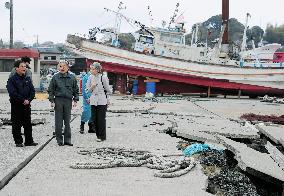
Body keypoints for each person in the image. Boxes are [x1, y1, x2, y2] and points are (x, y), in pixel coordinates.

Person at [6, 60, 38, 147]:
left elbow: (32, 91)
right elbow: (13, 93)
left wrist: (29, 100)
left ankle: (29, 141)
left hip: (27, 105)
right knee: (16, 124)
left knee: (28, 124)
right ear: (17, 68)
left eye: (25, 66)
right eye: (22, 66)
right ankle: (18, 142)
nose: (24, 68)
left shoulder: (27, 79)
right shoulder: (11, 80)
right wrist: (22, 100)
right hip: (17, 105)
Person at [48, 60, 79, 146]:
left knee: (67, 121)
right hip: (58, 100)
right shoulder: (55, 77)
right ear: (58, 68)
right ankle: (59, 140)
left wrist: (75, 99)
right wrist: (52, 100)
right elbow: (51, 90)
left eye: (64, 66)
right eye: (60, 66)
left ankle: (67, 140)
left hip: (68, 101)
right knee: (58, 122)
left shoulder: (72, 77)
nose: (62, 68)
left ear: (68, 67)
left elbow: (75, 90)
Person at [86, 62, 112, 142]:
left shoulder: (103, 77)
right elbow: (86, 90)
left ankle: (102, 136)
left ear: (97, 69)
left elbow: (108, 90)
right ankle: (98, 134)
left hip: (102, 99)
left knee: (101, 119)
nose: (91, 70)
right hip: (93, 99)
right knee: (94, 118)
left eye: (93, 69)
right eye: (91, 69)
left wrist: (108, 100)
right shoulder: (90, 77)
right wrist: (92, 87)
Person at [80, 69, 95, 134]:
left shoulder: (96, 77)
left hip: (95, 97)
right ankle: (82, 124)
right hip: (87, 97)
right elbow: (83, 88)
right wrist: (86, 97)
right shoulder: (85, 77)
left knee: (93, 111)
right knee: (86, 111)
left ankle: (91, 127)